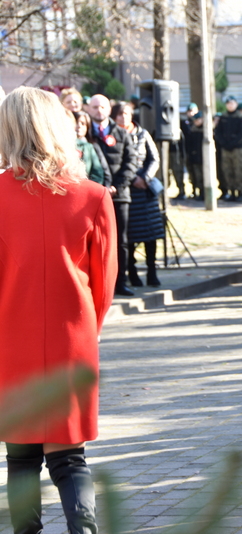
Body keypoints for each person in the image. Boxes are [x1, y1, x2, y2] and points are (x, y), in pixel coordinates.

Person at [0, 86, 117, 534]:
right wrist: (92, 326)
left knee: (22, 458)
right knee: (69, 458)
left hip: (11, 338)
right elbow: (103, 283)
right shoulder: (92, 196)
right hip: (73, 337)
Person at [87, 94, 138, 297]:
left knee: (121, 240)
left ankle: (121, 282)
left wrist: (117, 186)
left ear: (109, 110)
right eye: (95, 107)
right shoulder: (85, 132)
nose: (99, 110)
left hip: (119, 196)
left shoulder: (122, 134)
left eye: (102, 107)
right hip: (91, 197)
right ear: (89, 109)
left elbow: (131, 162)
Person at [111, 101, 164, 289]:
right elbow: (120, 161)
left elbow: (154, 159)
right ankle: (132, 273)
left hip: (145, 189)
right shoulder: (113, 136)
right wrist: (133, 179)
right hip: (128, 189)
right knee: (130, 235)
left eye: (126, 113)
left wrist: (146, 177)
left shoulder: (142, 134)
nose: (122, 117)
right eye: (118, 114)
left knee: (152, 232)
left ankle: (152, 271)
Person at [214, 95, 242, 201]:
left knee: (238, 170)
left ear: (236, 104)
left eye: (232, 103)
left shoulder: (240, 117)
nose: (230, 105)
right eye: (228, 104)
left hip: (237, 149)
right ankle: (231, 191)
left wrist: (233, 143)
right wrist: (224, 143)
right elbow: (218, 132)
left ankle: (240, 192)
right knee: (227, 170)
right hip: (225, 148)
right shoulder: (223, 117)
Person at [74, 110, 110, 186]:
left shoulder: (91, 146)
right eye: (75, 122)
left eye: (83, 124)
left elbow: (98, 173)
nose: (79, 126)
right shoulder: (61, 145)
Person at [185, 111, 205, 201]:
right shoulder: (192, 130)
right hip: (194, 157)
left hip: (203, 158)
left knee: (202, 176)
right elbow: (189, 144)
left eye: (198, 120)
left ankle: (203, 193)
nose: (197, 122)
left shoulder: (205, 131)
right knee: (195, 176)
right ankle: (197, 192)